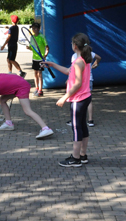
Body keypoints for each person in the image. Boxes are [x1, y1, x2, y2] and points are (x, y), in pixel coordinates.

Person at [44, 33, 92, 167]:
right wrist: (52, 64)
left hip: (78, 100)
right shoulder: (83, 59)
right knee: (82, 127)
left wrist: (64, 97)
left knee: (77, 129)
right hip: (86, 97)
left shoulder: (78, 62)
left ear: (75, 46)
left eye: (72, 43)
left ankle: (75, 159)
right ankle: (82, 156)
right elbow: (67, 71)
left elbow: (77, 83)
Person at [0, 72, 54, 139]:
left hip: (22, 87)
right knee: (2, 100)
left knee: (27, 111)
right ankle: (9, 123)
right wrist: (11, 88)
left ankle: (45, 128)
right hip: (20, 84)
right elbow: (13, 75)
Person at [67, 44, 102, 127]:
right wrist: (96, 63)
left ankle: (75, 119)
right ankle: (90, 120)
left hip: (78, 80)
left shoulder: (74, 56)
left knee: (76, 100)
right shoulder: (89, 53)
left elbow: (72, 70)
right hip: (89, 79)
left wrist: (69, 79)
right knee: (88, 99)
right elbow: (99, 58)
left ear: (75, 46)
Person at [26, 23, 49, 97]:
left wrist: (45, 55)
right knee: (35, 74)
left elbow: (47, 47)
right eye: (32, 28)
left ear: (39, 29)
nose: (33, 30)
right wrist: (28, 48)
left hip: (40, 59)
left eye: (35, 28)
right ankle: (36, 88)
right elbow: (32, 48)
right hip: (34, 59)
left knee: (39, 74)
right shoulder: (32, 37)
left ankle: (40, 91)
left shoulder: (42, 37)